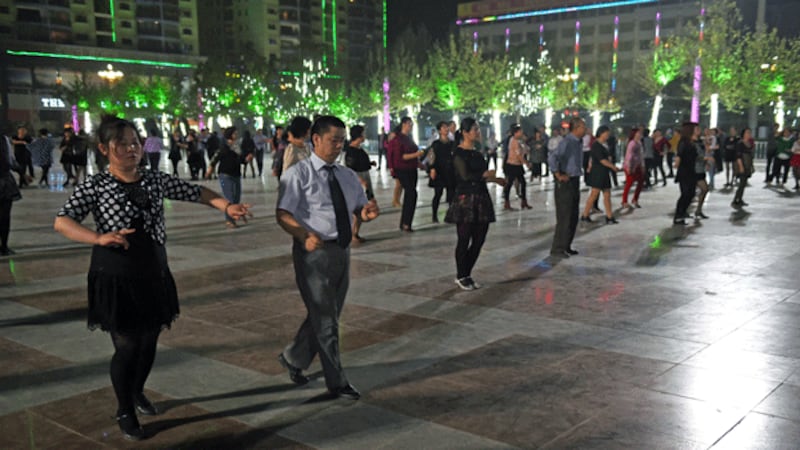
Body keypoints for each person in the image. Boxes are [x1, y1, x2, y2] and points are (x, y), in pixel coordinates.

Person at [53, 115, 250, 441]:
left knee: (149, 341)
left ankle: (138, 390)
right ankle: (124, 407)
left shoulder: (154, 179)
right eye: (122, 144)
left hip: (153, 270)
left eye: (135, 142)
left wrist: (225, 206)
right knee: (128, 345)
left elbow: (196, 191)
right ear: (104, 148)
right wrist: (98, 238)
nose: (132, 149)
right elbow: (63, 221)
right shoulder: (95, 185)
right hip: (116, 274)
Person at [276, 115, 379, 401]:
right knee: (326, 320)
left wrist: (366, 213)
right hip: (313, 253)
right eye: (333, 140)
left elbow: (359, 209)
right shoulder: (297, 174)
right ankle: (337, 382)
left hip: (342, 251)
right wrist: (302, 235)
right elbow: (282, 213)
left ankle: (294, 357)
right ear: (316, 140)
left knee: (328, 313)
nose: (338, 146)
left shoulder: (347, 176)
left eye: (342, 141)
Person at [446, 118, 505, 290]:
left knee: (479, 239)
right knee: (464, 238)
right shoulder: (458, 153)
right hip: (465, 200)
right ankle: (461, 275)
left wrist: (495, 179)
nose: (477, 132)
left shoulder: (478, 152)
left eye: (478, 129)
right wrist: (486, 175)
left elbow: (481, 175)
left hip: (481, 198)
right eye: (474, 129)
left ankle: (467, 273)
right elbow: (465, 176)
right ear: (464, 133)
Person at [548, 118, 586, 258]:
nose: (585, 129)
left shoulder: (577, 142)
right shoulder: (567, 142)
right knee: (564, 215)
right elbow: (552, 157)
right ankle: (557, 248)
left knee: (573, 215)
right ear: (576, 128)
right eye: (583, 126)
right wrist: (558, 174)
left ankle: (566, 245)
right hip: (566, 182)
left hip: (575, 180)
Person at [388, 117, 425, 232]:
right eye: (409, 124)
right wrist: (417, 154)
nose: (411, 126)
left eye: (411, 124)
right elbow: (401, 157)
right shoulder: (398, 139)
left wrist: (419, 163)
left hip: (411, 169)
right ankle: (405, 223)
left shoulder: (408, 138)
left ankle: (406, 222)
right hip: (402, 169)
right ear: (403, 124)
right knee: (411, 193)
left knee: (411, 194)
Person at [581, 125, 620, 224]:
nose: (607, 135)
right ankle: (585, 214)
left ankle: (609, 216)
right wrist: (613, 167)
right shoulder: (596, 145)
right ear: (601, 133)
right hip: (598, 172)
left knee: (607, 194)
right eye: (606, 133)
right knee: (594, 194)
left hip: (604, 172)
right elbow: (602, 160)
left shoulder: (604, 144)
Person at [207, 127, 244, 228]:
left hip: (236, 174)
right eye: (235, 133)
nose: (236, 135)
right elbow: (215, 158)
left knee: (236, 198)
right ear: (230, 135)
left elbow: (242, 159)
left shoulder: (237, 146)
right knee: (229, 198)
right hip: (225, 175)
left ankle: (234, 216)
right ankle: (229, 221)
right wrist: (210, 169)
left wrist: (246, 158)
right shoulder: (224, 147)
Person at [344, 124, 376, 242]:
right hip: (357, 182)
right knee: (359, 210)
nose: (365, 135)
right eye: (363, 133)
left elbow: (362, 162)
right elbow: (350, 169)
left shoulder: (359, 149)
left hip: (365, 178)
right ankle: (353, 234)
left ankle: (355, 233)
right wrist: (360, 181)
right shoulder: (351, 151)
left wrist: (370, 163)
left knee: (364, 208)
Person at [673, 122, 702, 225]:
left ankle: (682, 212)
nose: (698, 130)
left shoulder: (692, 142)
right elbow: (679, 154)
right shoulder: (684, 142)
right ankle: (678, 215)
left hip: (691, 171)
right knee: (686, 193)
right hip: (684, 171)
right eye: (695, 128)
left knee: (691, 193)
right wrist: (676, 162)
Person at [427, 121, 456, 223]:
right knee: (438, 193)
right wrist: (432, 168)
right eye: (444, 127)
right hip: (439, 171)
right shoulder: (436, 144)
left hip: (450, 171)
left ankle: (451, 214)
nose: (446, 129)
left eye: (447, 127)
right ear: (439, 130)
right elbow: (431, 156)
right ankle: (434, 215)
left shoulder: (452, 144)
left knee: (451, 194)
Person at [502, 123, 532, 210]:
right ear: (516, 132)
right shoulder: (514, 141)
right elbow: (518, 155)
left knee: (522, 183)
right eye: (520, 131)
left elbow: (523, 151)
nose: (522, 133)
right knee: (510, 183)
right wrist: (526, 163)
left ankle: (523, 201)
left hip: (517, 165)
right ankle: (507, 202)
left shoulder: (517, 140)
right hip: (512, 165)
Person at [0, 134, 21, 255]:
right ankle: (4, 246)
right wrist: (21, 172)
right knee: (4, 217)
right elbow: (11, 161)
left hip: (5, 181)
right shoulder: (4, 139)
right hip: (5, 182)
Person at [622, 128, 645, 209]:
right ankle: (624, 201)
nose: (639, 135)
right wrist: (629, 167)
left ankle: (635, 199)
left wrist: (642, 165)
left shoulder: (639, 143)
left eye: (640, 133)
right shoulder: (631, 143)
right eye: (638, 133)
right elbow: (628, 156)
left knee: (641, 182)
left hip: (637, 166)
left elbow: (641, 156)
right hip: (631, 166)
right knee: (629, 183)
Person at [732, 128, 755, 207]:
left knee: (744, 183)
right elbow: (738, 156)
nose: (749, 134)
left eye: (750, 132)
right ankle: (736, 199)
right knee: (742, 183)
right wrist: (741, 166)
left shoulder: (749, 143)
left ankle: (739, 198)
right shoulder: (740, 143)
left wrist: (752, 166)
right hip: (742, 164)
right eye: (747, 133)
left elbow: (751, 156)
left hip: (748, 164)